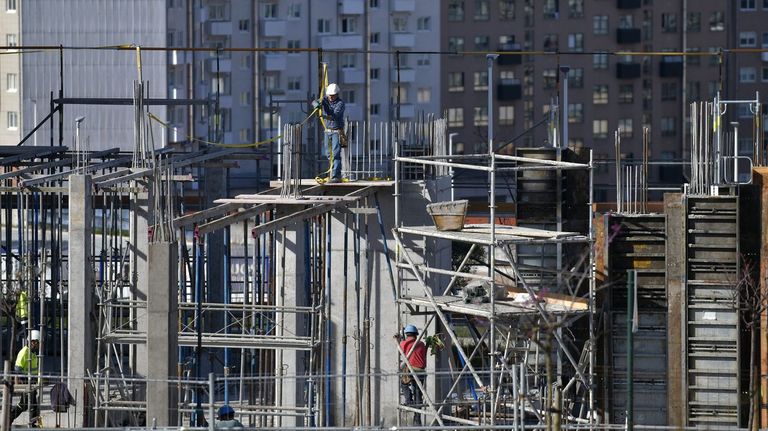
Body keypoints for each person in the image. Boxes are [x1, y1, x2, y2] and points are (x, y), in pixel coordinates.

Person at [312, 83, 346, 183]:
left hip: (336, 131)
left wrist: (324, 112)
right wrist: (317, 104)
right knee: (328, 154)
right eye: (329, 95)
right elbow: (314, 102)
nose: (330, 97)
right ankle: (331, 172)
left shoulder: (340, 104)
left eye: (332, 95)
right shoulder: (325, 99)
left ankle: (336, 176)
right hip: (327, 131)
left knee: (335, 153)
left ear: (336, 94)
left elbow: (334, 115)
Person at [10, 329, 41, 426]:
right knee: (32, 406)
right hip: (27, 384)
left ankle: (9, 418)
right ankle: (32, 424)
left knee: (24, 405)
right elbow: (18, 369)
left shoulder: (33, 353)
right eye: (37, 342)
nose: (38, 344)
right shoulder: (24, 352)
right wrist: (23, 383)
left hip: (32, 384)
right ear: (33, 342)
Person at [399, 324, 427, 425]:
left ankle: (409, 400)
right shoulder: (422, 344)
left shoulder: (403, 344)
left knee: (404, 383)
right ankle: (417, 418)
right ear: (416, 334)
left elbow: (401, 351)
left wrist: (400, 339)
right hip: (421, 370)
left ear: (407, 334)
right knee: (418, 392)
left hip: (411, 369)